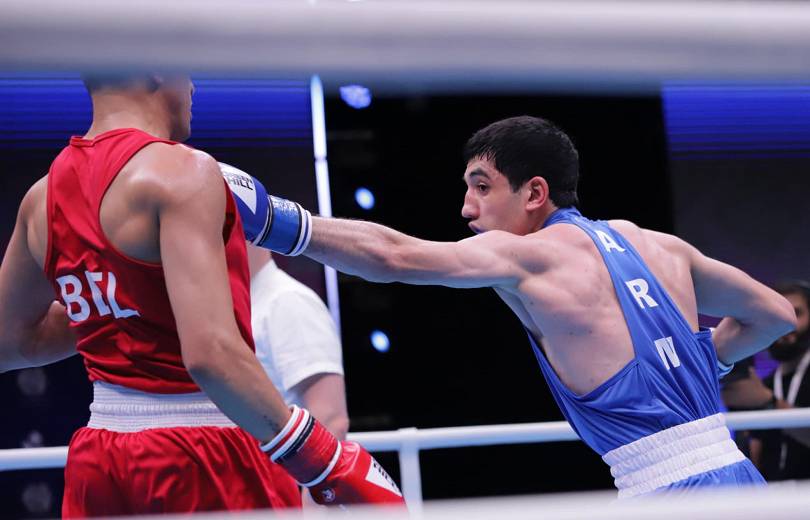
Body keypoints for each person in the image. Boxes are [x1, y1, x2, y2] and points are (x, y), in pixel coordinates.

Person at [227, 115, 797, 498]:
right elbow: (774, 314)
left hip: (663, 495)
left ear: (534, 193)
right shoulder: (661, 245)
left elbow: (395, 256)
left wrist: (271, 218)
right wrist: (705, 362)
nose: (467, 209)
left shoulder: (529, 256)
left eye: (481, 186)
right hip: (744, 479)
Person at [0, 73, 403, 516]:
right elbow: (211, 354)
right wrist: (323, 460)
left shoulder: (42, 198)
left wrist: (125, 298)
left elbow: (11, 343)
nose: (194, 86)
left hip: (100, 453)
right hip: (206, 446)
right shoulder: (185, 171)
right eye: (187, 68)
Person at [246, 245, 350, 505]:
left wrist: (311, 507)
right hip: (252, 485)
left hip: (284, 491)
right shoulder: (241, 308)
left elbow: (331, 418)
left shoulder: (287, 301)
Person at [749, 281, 810, 481]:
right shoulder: (765, 384)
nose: (787, 324)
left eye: (796, 313)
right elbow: (755, 450)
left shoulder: (763, 393)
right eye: (778, 315)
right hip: (775, 502)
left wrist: (769, 403)